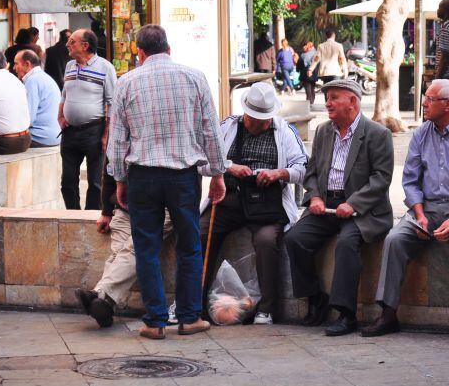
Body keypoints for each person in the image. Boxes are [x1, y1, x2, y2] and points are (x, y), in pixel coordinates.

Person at [107, 24, 226, 340]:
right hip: (183, 176)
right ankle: (189, 318)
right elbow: (210, 131)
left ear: (140, 52)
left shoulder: (126, 83)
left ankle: (155, 321)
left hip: (143, 177)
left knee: (146, 248)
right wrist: (217, 173)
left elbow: (117, 140)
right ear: (169, 50)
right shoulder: (194, 77)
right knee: (190, 245)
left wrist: (119, 179)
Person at [363, 79, 449, 341]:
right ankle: (388, 312)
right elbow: (410, 179)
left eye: (429, 99)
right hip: (428, 208)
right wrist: (420, 215)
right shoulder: (421, 133)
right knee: (394, 239)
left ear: (448, 105)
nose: (423, 103)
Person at [284, 79, 394, 337]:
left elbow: (381, 178)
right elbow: (311, 172)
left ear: (352, 102)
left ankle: (346, 314)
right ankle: (314, 297)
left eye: (334, 97)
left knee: (347, 243)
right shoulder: (324, 131)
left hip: (364, 210)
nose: (328, 103)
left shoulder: (378, 134)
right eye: (327, 98)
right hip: (327, 206)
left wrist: (353, 203)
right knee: (295, 238)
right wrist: (315, 198)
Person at [198, 82, 309, 324]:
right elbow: (202, 162)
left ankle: (266, 308)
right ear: (245, 113)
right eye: (255, 120)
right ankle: (192, 301)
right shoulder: (227, 127)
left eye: (264, 120)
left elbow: (303, 168)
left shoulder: (285, 131)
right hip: (229, 198)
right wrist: (229, 167)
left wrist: (279, 174)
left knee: (267, 240)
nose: (260, 124)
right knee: (201, 232)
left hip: (267, 203)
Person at [74, 172, 175, 328]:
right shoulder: (114, 147)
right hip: (125, 208)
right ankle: (105, 305)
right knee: (117, 254)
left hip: (161, 209)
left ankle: (99, 294)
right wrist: (106, 212)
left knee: (133, 250)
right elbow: (108, 172)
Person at [60, 29, 116, 210]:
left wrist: (106, 134)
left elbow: (112, 102)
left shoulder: (105, 67)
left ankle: (91, 218)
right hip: (69, 132)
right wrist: (60, 116)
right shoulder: (69, 66)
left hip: (94, 131)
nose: (67, 45)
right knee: (67, 181)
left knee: (95, 182)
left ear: (85, 45)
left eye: (72, 41)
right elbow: (64, 94)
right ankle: (72, 216)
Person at [12, 49, 63, 148]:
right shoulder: (43, 77)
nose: (14, 68)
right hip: (54, 136)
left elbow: (28, 118)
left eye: (16, 64)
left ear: (27, 64)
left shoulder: (32, 81)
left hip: (42, 137)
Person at [313, 29, 347, 104]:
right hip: (335, 72)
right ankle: (335, 105)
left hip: (325, 73)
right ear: (334, 36)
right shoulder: (339, 46)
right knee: (335, 90)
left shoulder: (321, 46)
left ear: (326, 36)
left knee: (327, 90)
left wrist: (310, 69)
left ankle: (328, 105)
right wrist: (345, 71)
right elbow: (342, 59)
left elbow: (316, 59)